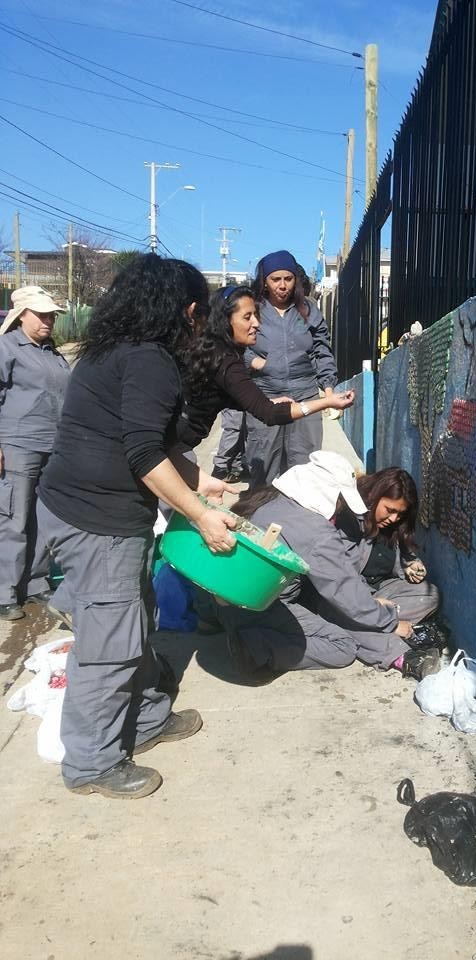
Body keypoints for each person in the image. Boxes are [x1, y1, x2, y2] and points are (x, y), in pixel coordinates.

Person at [37, 254, 238, 801]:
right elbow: (145, 453)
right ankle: (92, 762)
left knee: (135, 619)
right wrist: (201, 515)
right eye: (200, 315)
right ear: (188, 311)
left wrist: (202, 484)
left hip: (83, 509)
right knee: (110, 643)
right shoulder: (150, 361)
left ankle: (145, 717)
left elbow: (152, 443)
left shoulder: (113, 351)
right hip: (98, 521)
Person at [216, 451, 415, 676]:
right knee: (343, 647)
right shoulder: (317, 532)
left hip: (224, 594)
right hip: (257, 604)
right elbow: (344, 592)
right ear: (330, 495)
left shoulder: (270, 498)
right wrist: (389, 622)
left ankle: (227, 624)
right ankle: (254, 647)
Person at [177, 284, 354, 460]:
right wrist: (326, 402)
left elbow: (238, 399)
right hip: (172, 448)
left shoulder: (216, 352)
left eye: (256, 315)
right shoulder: (226, 362)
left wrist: (268, 401)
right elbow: (269, 414)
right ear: (225, 320)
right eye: (247, 317)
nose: (256, 324)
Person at [0, 286, 71, 621]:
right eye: (41, 315)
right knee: (13, 519)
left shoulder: (52, 353)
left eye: (51, 316)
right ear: (21, 315)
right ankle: (5, 592)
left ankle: (36, 581)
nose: (48, 321)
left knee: (44, 518)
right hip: (17, 444)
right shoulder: (6, 347)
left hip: (52, 447)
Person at [244, 250, 339, 486]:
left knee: (305, 471)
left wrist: (328, 391)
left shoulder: (308, 309)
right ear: (264, 281)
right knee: (263, 468)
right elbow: (234, 344)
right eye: (275, 279)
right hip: (265, 398)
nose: (282, 285)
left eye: (288, 279)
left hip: (305, 396)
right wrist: (255, 362)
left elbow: (322, 349)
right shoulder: (252, 309)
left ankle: (298, 510)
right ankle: (262, 508)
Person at [336, 467, 440, 625]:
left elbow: (402, 558)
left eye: (400, 514)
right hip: (352, 594)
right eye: (390, 510)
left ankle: (373, 620)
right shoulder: (351, 519)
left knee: (430, 595)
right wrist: (369, 602)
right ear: (375, 496)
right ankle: (373, 620)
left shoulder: (394, 527)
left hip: (380, 591)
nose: (394, 518)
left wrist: (409, 566)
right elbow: (342, 574)